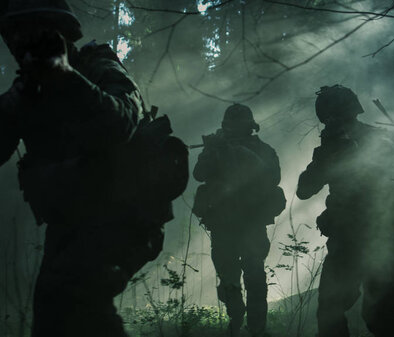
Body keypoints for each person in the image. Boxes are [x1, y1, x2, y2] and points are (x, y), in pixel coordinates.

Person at [0, 1, 173, 336]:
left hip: (125, 216)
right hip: (72, 221)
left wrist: (66, 78)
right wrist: (18, 101)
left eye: (32, 34)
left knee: (76, 298)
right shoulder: (28, 89)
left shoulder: (99, 66)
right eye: (15, 36)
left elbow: (121, 120)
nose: (21, 44)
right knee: (53, 316)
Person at [296, 85, 394, 337]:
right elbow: (304, 189)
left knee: (373, 317)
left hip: (370, 241)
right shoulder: (339, 147)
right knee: (366, 316)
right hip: (363, 241)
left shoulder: (380, 141)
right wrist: (327, 155)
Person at [192, 104, 286, 337]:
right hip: (224, 224)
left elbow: (272, 178)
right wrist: (212, 150)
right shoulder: (218, 149)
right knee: (228, 278)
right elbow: (199, 174)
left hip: (251, 223)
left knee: (254, 276)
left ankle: (256, 328)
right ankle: (236, 318)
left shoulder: (263, 150)